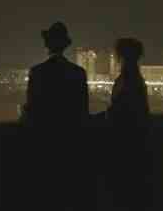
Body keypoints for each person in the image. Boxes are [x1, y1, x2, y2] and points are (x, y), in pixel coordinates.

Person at [12, 21, 92, 210]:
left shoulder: (38, 72)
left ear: (47, 45)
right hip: (72, 145)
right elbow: (82, 110)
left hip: (45, 143)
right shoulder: (78, 73)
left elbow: (32, 108)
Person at [103, 37, 151, 210]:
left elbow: (120, 111)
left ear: (122, 56)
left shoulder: (127, 80)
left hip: (124, 146)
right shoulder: (136, 79)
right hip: (136, 145)